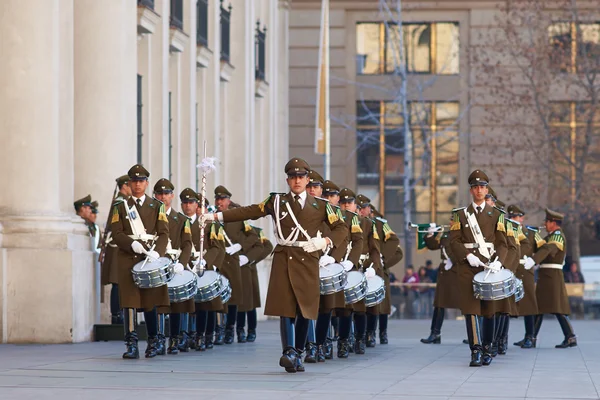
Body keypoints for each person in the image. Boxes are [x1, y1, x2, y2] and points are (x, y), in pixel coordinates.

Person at [203, 158, 348, 373]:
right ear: (287, 180)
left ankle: (298, 352)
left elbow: (342, 228)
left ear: (308, 179)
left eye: (301, 177)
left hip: (308, 258)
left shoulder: (321, 205)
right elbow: (249, 212)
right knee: (285, 307)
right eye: (293, 177)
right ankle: (289, 351)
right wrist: (216, 216)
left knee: (304, 310)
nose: (297, 181)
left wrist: (325, 241)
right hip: (284, 256)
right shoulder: (277, 201)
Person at [110, 164, 170, 359]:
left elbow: (163, 234)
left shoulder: (157, 206)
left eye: (141, 181)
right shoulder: (121, 206)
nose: (137, 184)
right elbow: (116, 233)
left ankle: (153, 340)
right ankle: (131, 343)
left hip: (150, 258)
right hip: (128, 257)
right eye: (134, 181)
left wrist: (157, 253)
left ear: (146, 183)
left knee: (150, 301)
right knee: (129, 303)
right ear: (130, 183)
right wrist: (131, 244)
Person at [449, 170, 508, 367]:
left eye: (482, 187)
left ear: (486, 189)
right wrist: (467, 255)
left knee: (489, 310)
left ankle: (488, 348)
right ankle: (475, 350)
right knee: (471, 309)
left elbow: (503, 243)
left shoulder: (497, 215)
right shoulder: (460, 215)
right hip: (468, 266)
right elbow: (453, 241)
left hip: (488, 266)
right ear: (471, 190)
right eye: (475, 187)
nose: (479, 190)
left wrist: (499, 261)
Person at [523, 209, 577, 348]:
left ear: (553, 223)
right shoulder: (551, 236)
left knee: (557, 308)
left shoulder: (557, 236)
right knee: (539, 308)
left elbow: (547, 250)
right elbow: (542, 246)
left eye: (547, 222)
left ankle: (570, 337)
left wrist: (533, 260)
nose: (545, 224)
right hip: (546, 276)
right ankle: (532, 337)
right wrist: (532, 235)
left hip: (552, 277)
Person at [214, 185, 259, 345]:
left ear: (228, 200)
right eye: (217, 199)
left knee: (238, 299)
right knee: (224, 299)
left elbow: (253, 235)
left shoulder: (238, 216)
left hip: (235, 263)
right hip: (221, 262)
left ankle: (240, 330)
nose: (219, 202)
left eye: (222, 199)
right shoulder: (214, 216)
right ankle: (227, 330)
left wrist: (240, 247)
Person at [153, 179, 194, 355]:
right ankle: (159, 338)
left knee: (177, 302)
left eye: (166, 194)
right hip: (157, 263)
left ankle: (175, 338)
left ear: (172, 196)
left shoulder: (181, 219)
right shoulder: (150, 216)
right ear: (155, 196)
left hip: (175, 262)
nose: (163, 197)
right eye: (160, 194)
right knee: (158, 303)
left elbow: (187, 245)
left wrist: (182, 264)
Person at [421, 217, 460, 344]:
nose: (450, 223)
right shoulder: (446, 234)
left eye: (453, 221)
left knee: (469, 306)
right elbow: (433, 246)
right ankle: (435, 333)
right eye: (450, 220)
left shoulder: (463, 234)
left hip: (457, 271)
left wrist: (454, 261)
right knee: (439, 304)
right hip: (444, 272)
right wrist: (431, 233)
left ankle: (477, 334)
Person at [507, 204, 540, 349]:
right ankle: (501, 339)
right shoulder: (507, 231)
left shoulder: (532, 233)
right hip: (511, 269)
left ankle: (530, 336)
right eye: (513, 217)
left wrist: (535, 260)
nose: (516, 220)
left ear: (522, 218)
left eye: (518, 217)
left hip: (526, 270)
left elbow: (545, 247)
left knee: (529, 305)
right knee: (506, 304)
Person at [101, 175, 132, 324]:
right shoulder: (120, 203)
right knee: (117, 281)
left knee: (121, 282)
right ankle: (116, 315)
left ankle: (120, 313)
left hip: (121, 247)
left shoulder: (123, 202)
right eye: (130, 184)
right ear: (125, 186)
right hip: (116, 247)